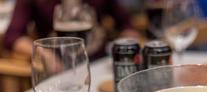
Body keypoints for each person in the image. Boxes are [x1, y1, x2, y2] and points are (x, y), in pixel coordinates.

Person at [3, 0, 138, 60]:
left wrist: (128, 47)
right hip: (58, 66)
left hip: (98, 63)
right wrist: (43, 54)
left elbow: (126, 23)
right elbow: (12, 36)